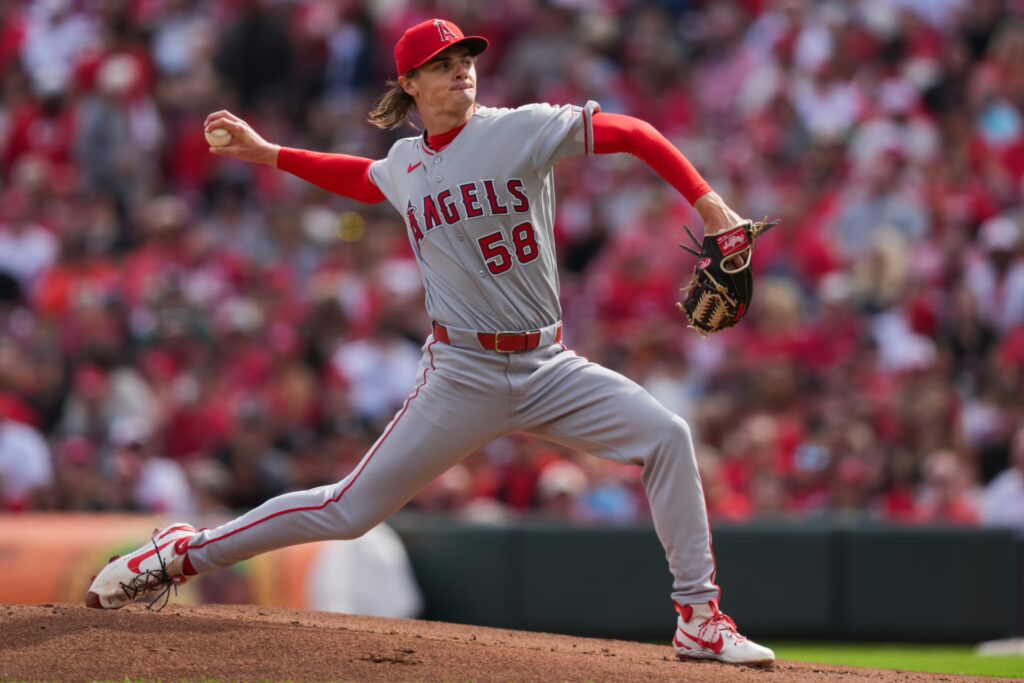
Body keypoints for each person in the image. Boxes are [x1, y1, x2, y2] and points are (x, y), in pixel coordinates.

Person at [86, 18, 775, 668]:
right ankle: (179, 553)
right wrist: (268, 154)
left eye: (465, 61)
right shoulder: (405, 163)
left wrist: (709, 202)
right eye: (440, 67)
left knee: (668, 435)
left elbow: (632, 131)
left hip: (547, 364)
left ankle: (699, 616)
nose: (460, 74)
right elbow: (360, 177)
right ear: (409, 84)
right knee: (347, 510)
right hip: (464, 370)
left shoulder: (519, 130)